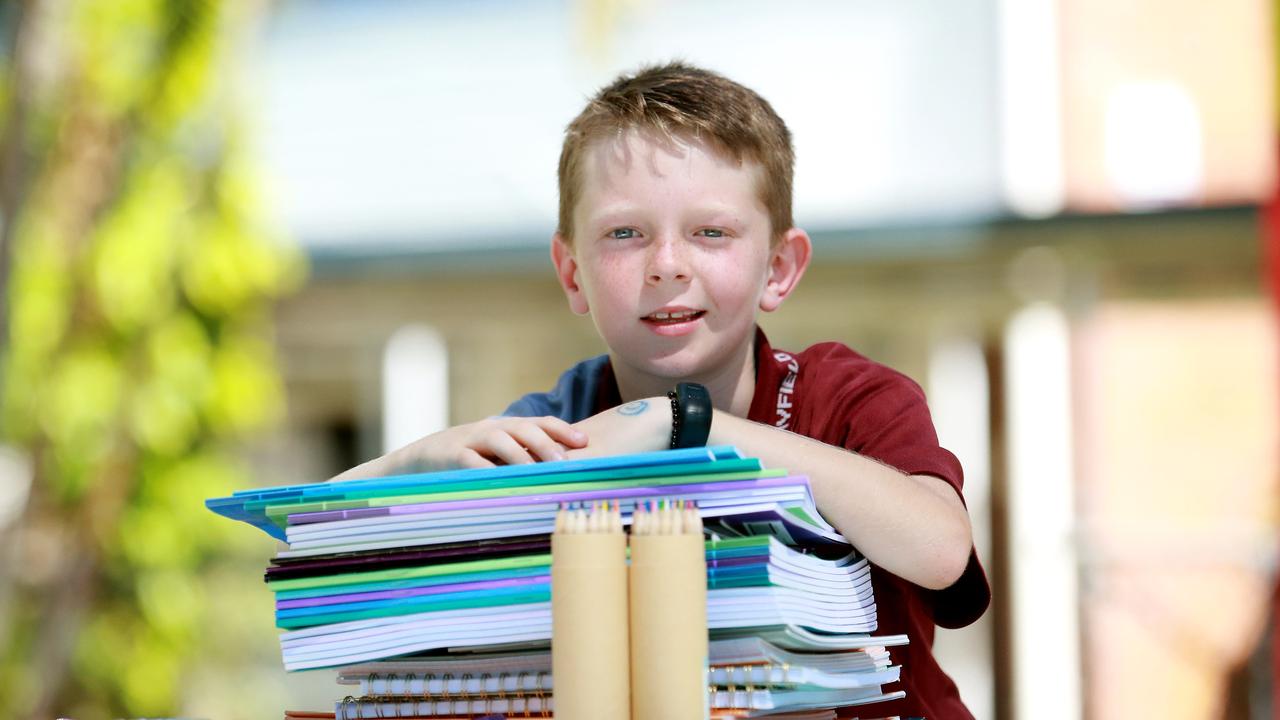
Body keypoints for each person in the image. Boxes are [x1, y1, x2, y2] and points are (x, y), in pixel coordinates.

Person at [336, 61, 990, 719]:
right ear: (571, 273)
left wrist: (687, 422)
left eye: (712, 232)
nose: (668, 265)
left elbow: (940, 551)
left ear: (780, 268)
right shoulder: (558, 427)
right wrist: (415, 465)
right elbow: (319, 541)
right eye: (625, 233)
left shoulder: (850, 398)